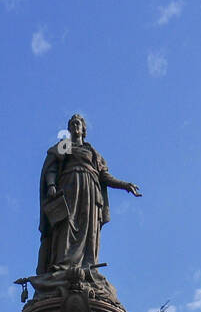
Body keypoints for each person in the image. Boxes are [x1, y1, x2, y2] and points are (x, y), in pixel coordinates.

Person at [37, 114, 141, 276]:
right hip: (69, 187)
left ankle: (87, 265)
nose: (74, 126)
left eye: (77, 123)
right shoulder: (65, 145)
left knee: (89, 227)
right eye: (71, 124)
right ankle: (62, 264)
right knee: (67, 224)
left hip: (91, 191)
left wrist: (125, 185)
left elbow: (105, 177)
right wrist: (51, 185)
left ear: (83, 129)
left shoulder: (92, 152)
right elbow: (51, 168)